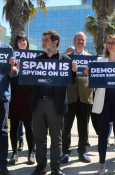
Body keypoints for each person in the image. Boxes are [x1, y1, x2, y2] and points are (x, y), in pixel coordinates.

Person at [30, 30, 78, 175]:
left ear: (55, 42)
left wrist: (74, 72)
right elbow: (30, 83)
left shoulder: (66, 60)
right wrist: (23, 71)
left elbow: (71, 82)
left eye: (46, 40)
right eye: (42, 39)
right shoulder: (37, 60)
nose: (43, 42)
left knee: (56, 138)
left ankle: (55, 167)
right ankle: (41, 165)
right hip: (38, 103)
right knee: (39, 137)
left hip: (55, 104)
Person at [85, 35, 115, 175]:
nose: (109, 45)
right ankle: (101, 165)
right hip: (103, 101)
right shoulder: (100, 61)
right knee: (103, 134)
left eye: (112, 43)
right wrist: (88, 74)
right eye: (108, 43)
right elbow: (93, 81)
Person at [61, 32, 93, 163]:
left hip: (85, 97)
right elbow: (61, 76)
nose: (80, 41)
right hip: (69, 98)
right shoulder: (65, 58)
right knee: (66, 127)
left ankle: (82, 152)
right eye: (78, 39)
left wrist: (91, 73)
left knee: (83, 127)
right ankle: (65, 152)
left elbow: (98, 78)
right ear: (73, 42)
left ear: (85, 42)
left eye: (83, 40)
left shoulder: (92, 59)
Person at [8, 34, 35, 165]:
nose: (22, 42)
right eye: (19, 40)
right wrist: (16, 70)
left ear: (27, 42)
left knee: (29, 126)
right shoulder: (12, 57)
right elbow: (9, 77)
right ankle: (14, 153)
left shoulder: (34, 57)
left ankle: (31, 153)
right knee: (13, 126)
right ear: (16, 43)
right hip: (15, 94)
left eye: (24, 40)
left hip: (28, 94)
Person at [0, 24, 17, 175]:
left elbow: (13, 73)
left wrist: (13, 67)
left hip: (2, 96)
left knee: (3, 131)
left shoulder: (7, 49)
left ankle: (2, 164)